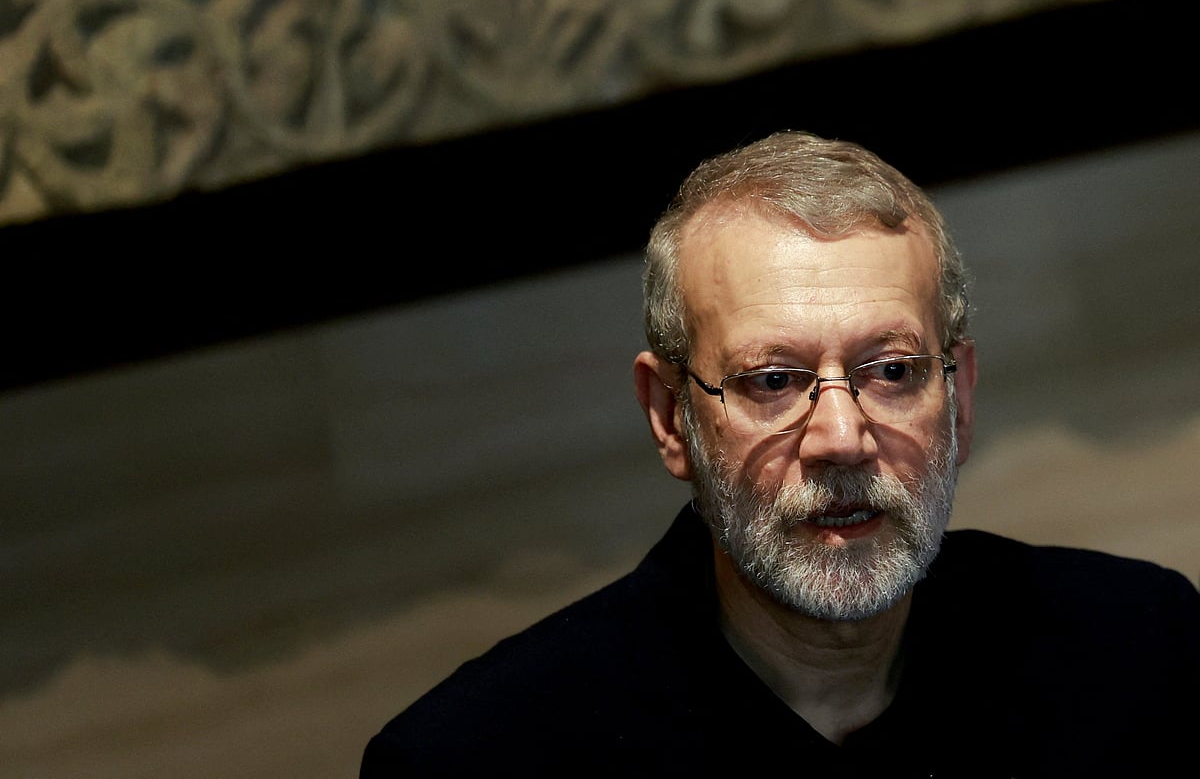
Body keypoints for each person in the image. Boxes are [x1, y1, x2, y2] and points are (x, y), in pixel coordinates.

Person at [360, 131, 1199, 777]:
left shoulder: (1136, 652)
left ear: (962, 397)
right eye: (771, 380)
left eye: (895, 370)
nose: (841, 437)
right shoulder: (475, 761)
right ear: (669, 417)